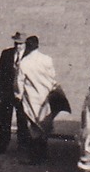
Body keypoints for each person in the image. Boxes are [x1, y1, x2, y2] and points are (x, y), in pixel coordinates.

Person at [15, 35, 66, 163]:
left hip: (31, 98)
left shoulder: (24, 62)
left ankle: (35, 157)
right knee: (45, 124)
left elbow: (19, 82)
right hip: (45, 96)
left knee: (34, 127)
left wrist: (19, 95)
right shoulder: (47, 59)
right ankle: (44, 153)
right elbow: (52, 76)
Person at [0, 32, 25, 153]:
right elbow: (0, 73)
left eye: (21, 44)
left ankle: (22, 147)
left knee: (22, 122)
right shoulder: (6, 54)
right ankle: (1, 146)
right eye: (16, 43)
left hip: (21, 94)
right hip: (7, 93)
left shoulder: (28, 56)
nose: (18, 46)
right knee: (4, 121)